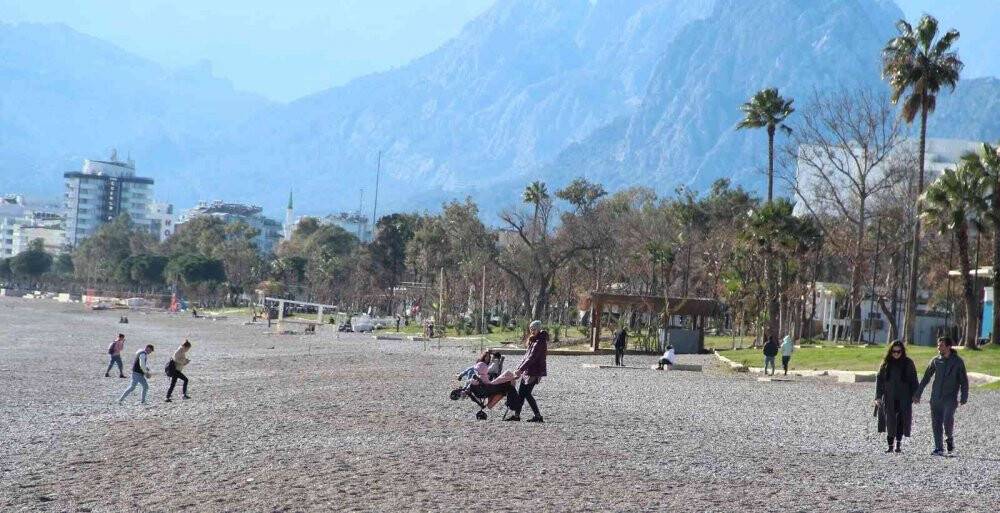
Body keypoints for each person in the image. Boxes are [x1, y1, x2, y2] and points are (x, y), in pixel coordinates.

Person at [915, 336, 969, 456]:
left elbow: (964, 381)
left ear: (949, 347)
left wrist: (964, 396)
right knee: (936, 423)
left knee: (947, 419)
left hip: (950, 398)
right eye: (938, 345)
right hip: (935, 398)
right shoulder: (935, 361)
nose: (938, 347)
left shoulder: (958, 362)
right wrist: (918, 394)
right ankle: (938, 448)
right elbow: (926, 378)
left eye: (941, 345)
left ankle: (949, 438)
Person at [874, 341, 919, 453]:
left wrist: (916, 395)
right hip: (889, 397)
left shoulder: (908, 363)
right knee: (889, 421)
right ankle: (890, 446)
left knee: (901, 421)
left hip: (904, 397)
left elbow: (914, 380)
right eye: (894, 351)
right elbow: (879, 380)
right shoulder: (886, 363)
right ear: (890, 351)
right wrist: (878, 396)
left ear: (902, 351)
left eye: (898, 351)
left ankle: (898, 445)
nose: (896, 354)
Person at [505, 320, 548, 423]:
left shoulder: (540, 342)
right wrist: (519, 368)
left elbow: (531, 358)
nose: (532, 331)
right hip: (527, 371)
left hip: (534, 371)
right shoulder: (533, 340)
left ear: (538, 329)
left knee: (527, 393)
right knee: (521, 393)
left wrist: (520, 369)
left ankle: (538, 416)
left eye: (534, 329)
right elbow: (526, 357)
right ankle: (517, 415)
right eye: (531, 329)